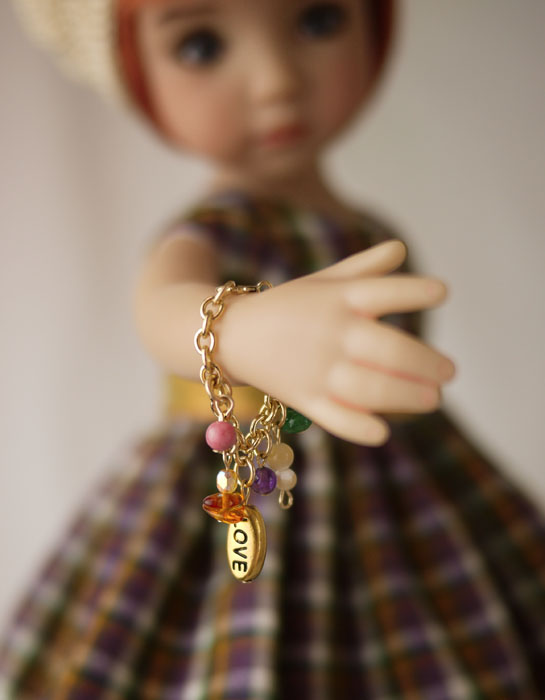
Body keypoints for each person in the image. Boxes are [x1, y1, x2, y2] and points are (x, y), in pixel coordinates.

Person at [1, 0, 544, 697]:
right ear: (139, 75)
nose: (276, 80)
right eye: (201, 47)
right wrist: (243, 332)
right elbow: (158, 307)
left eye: (318, 20)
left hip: (406, 496)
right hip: (249, 479)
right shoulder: (211, 232)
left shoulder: (370, 230)